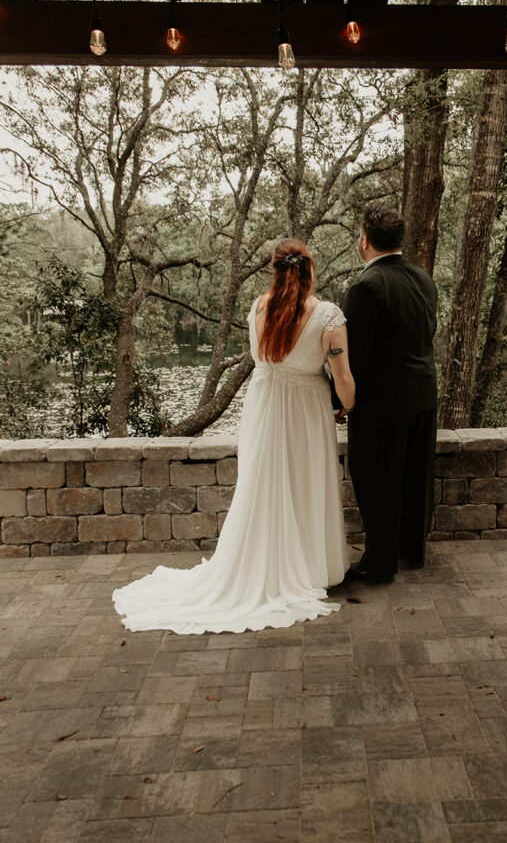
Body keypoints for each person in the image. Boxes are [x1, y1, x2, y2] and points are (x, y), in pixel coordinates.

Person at [113, 239, 354, 634]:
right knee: (305, 481)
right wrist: (347, 404)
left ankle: (267, 564)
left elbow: (268, 363)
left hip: (265, 408)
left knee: (264, 486)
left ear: (275, 269)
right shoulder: (327, 315)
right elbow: (342, 377)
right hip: (305, 411)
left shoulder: (258, 308)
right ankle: (312, 566)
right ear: (310, 269)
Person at [340, 204, 438, 584]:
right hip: (423, 395)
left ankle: (380, 562)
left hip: (382, 403)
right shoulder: (423, 279)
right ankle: (412, 550)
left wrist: (342, 401)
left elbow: (354, 355)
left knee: (376, 477)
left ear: (364, 241)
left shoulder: (366, 287)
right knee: (416, 474)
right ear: (399, 241)